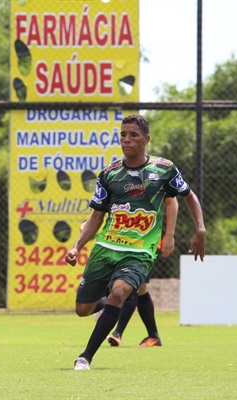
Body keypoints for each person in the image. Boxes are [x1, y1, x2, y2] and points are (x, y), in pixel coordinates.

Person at [64, 114, 206, 371]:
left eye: (133, 135)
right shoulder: (109, 174)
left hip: (140, 251)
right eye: (123, 135)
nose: (127, 140)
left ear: (146, 140)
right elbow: (97, 215)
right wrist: (77, 246)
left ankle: (85, 357)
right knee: (82, 309)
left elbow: (188, 196)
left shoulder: (164, 169)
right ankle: (108, 305)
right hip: (106, 248)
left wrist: (200, 229)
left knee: (120, 293)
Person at [106, 195, 178, 347]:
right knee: (140, 288)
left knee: (135, 286)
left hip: (146, 245)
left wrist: (169, 235)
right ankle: (153, 336)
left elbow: (172, 200)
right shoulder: (120, 177)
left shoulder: (155, 176)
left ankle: (118, 332)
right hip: (125, 243)